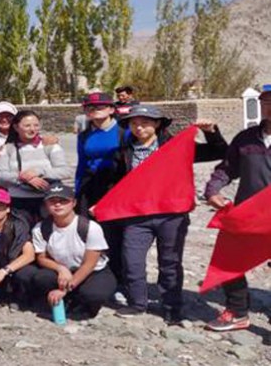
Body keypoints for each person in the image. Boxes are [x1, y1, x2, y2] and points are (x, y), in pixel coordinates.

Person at [112, 105, 226, 323]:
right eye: (134, 123)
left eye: (145, 122)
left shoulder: (176, 147)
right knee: (131, 259)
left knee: (170, 262)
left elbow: (218, 151)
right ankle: (137, 303)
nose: (139, 127)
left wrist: (211, 132)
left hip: (171, 215)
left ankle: (171, 307)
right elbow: (118, 184)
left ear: (157, 124)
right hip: (137, 216)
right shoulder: (124, 152)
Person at [203, 84, 271, 332]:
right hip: (248, 214)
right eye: (267, 101)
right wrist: (213, 190)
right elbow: (227, 168)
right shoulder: (245, 138)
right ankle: (238, 312)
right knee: (228, 259)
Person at [32, 184, 116, 319]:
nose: (58, 205)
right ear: (46, 205)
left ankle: (80, 304)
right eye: (52, 201)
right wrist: (61, 269)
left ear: (74, 203)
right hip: (64, 270)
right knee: (41, 278)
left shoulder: (90, 227)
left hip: (93, 271)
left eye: (63, 201)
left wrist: (64, 290)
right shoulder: (40, 228)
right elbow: (41, 258)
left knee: (93, 294)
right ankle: (61, 302)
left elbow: (89, 264)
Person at [74, 92, 129, 293]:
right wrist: (77, 192)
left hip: (116, 187)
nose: (95, 110)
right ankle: (95, 275)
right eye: (90, 107)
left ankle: (120, 280)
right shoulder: (85, 135)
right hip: (91, 187)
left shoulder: (124, 132)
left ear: (111, 109)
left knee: (116, 236)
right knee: (91, 233)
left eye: (100, 106)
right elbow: (81, 165)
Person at [0, 110, 72, 226]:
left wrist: (38, 172)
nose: (32, 129)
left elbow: (65, 171)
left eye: (36, 125)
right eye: (27, 125)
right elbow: (1, 173)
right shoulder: (9, 148)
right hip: (19, 201)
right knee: (23, 237)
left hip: (47, 199)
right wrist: (24, 177)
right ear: (16, 127)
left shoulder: (50, 146)